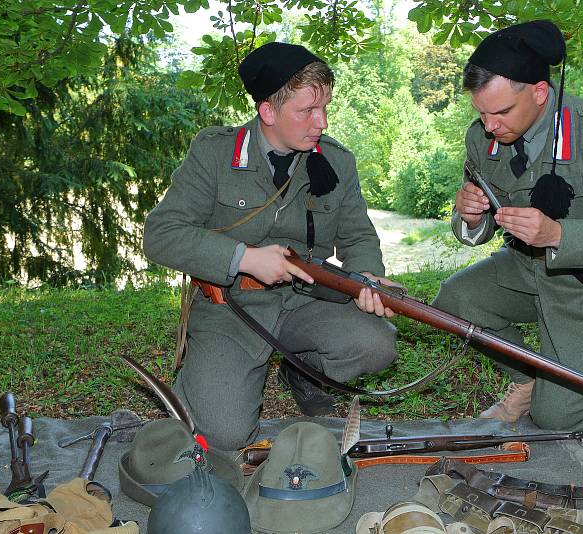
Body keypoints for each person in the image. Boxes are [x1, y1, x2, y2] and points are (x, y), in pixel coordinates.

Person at [142, 42, 398, 451]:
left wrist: (366, 274)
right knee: (223, 435)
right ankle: (214, 372)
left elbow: (357, 236)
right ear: (268, 112)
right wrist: (242, 258)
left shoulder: (336, 161)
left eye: (325, 108)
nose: (322, 122)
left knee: (376, 344)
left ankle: (302, 369)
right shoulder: (215, 153)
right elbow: (161, 234)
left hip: (305, 301)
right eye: (307, 111)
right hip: (232, 306)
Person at [432, 20, 583, 431]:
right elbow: (478, 218)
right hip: (526, 268)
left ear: (539, 92)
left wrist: (557, 234)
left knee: (556, 417)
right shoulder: (481, 138)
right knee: (455, 299)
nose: (489, 126)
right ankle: (526, 381)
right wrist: (469, 217)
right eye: (480, 113)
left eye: (500, 112)